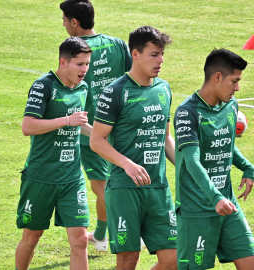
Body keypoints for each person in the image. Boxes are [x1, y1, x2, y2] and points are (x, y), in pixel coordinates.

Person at [90, 26, 177, 270]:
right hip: (125, 189)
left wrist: (186, 167)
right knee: (128, 260)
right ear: (135, 54)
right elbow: (96, 140)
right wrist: (127, 164)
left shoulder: (163, 89)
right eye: (154, 54)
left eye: (162, 54)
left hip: (159, 188)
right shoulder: (115, 92)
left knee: (173, 260)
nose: (160, 60)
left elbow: (166, 138)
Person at [173, 48, 254, 269]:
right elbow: (192, 161)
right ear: (217, 77)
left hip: (227, 205)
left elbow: (226, 144)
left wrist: (247, 167)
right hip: (197, 210)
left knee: (252, 265)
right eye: (234, 80)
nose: (238, 87)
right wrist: (215, 198)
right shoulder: (187, 112)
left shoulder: (231, 106)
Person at [60, 0, 132, 252]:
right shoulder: (117, 44)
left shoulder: (74, 53)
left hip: (91, 130)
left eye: (64, 20)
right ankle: (104, 233)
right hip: (121, 126)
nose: (64, 24)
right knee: (119, 179)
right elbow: (134, 79)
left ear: (75, 22)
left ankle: (108, 236)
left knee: (101, 185)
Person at [15, 36, 92, 270]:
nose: (85, 70)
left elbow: (81, 125)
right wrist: (67, 121)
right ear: (63, 62)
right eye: (80, 64)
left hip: (71, 178)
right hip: (41, 176)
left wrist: (108, 137)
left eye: (87, 64)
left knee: (80, 241)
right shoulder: (44, 86)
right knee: (32, 237)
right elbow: (28, 127)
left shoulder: (83, 88)